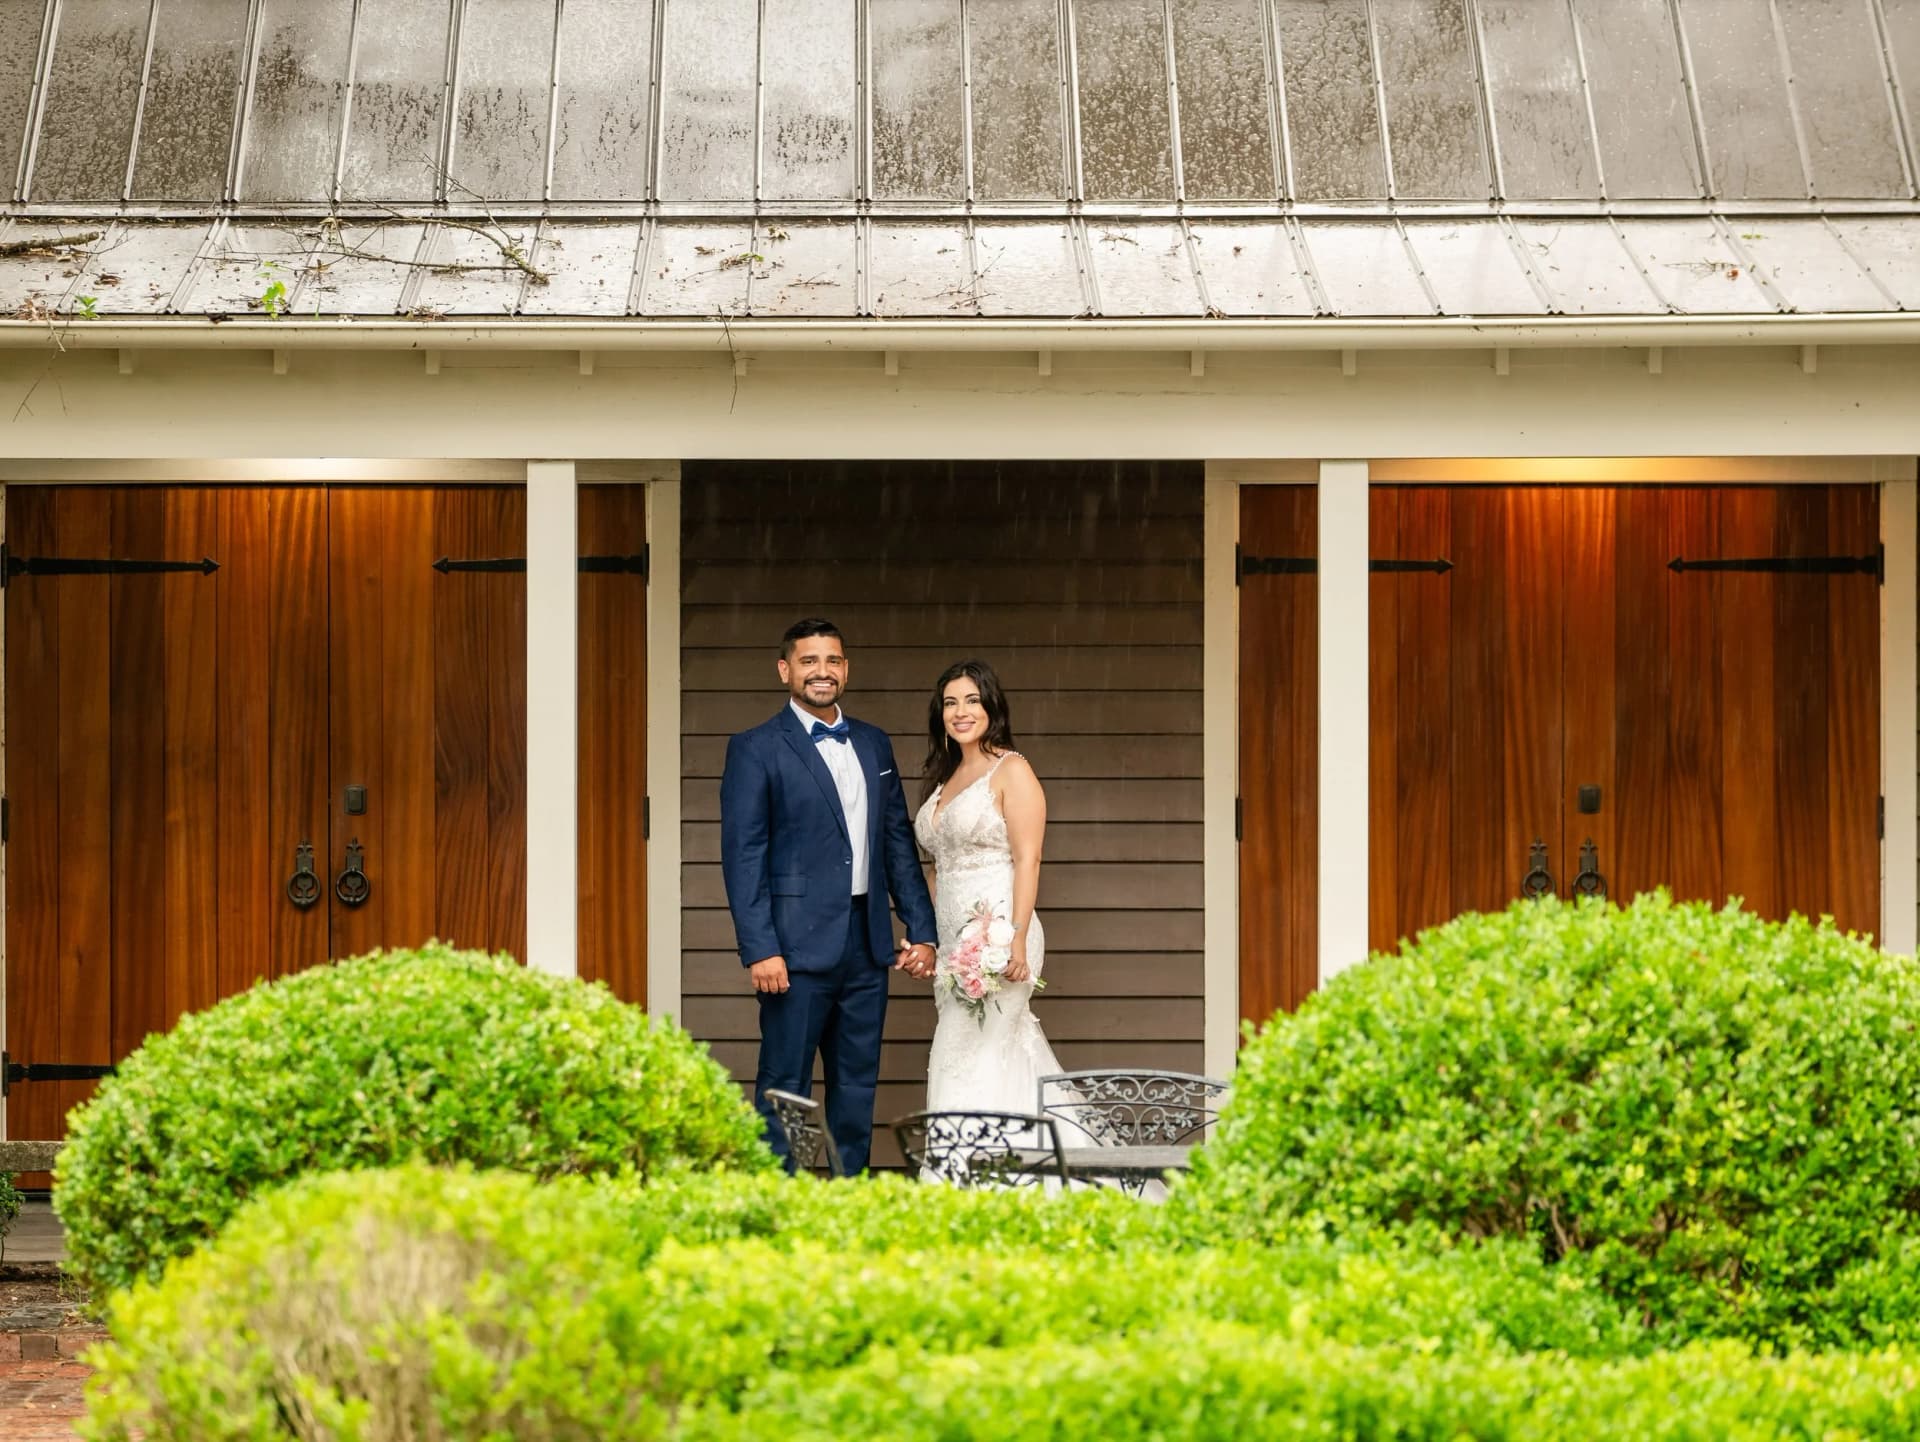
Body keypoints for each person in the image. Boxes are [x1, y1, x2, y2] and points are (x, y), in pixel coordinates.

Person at [720, 618, 938, 1176]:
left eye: (833, 661)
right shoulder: (755, 748)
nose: (823, 671)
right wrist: (759, 947)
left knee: (856, 1087)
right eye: (810, 661)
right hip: (792, 951)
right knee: (784, 1087)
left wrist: (923, 929)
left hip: (867, 948)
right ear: (785, 670)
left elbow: (895, 843)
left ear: (846, 669)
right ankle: (780, 1201)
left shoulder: (872, 742)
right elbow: (744, 856)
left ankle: (849, 1199)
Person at [914, 659, 1064, 1117]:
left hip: (997, 938)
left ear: (991, 707)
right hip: (951, 946)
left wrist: (1016, 937)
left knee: (971, 1059)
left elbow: (1027, 858)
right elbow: (937, 867)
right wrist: (928, 938)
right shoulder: (945, 778)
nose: (961, 711)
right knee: (971, 1057)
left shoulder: (1011, 771)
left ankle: (972, 1172)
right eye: (950, 703)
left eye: (972, 700)